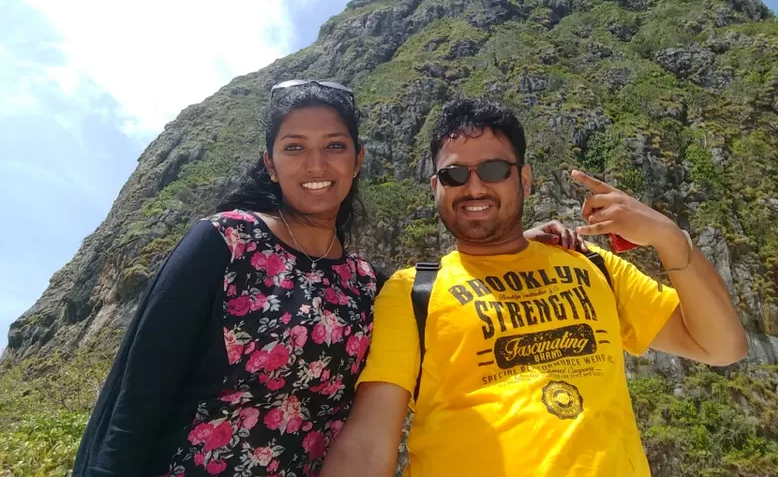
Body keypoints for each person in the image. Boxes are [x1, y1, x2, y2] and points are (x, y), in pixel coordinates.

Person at [73, 81, 577, 477]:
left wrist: (514, 242)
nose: (316, 164)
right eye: (294, 148)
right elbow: (136, 401)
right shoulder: (224, 243)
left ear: (357, 161)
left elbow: (443, 293)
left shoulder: (367, 286)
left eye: (334, 145)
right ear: (270, 164)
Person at [319, 97, 748, 477]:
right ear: (436, 187)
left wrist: (669, 237)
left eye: (492, 169)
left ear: (523, 179)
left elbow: (722, 346)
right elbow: (368, 443)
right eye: (453, 175)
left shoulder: (592, 264)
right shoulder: (413, 292)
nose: (473, 187)